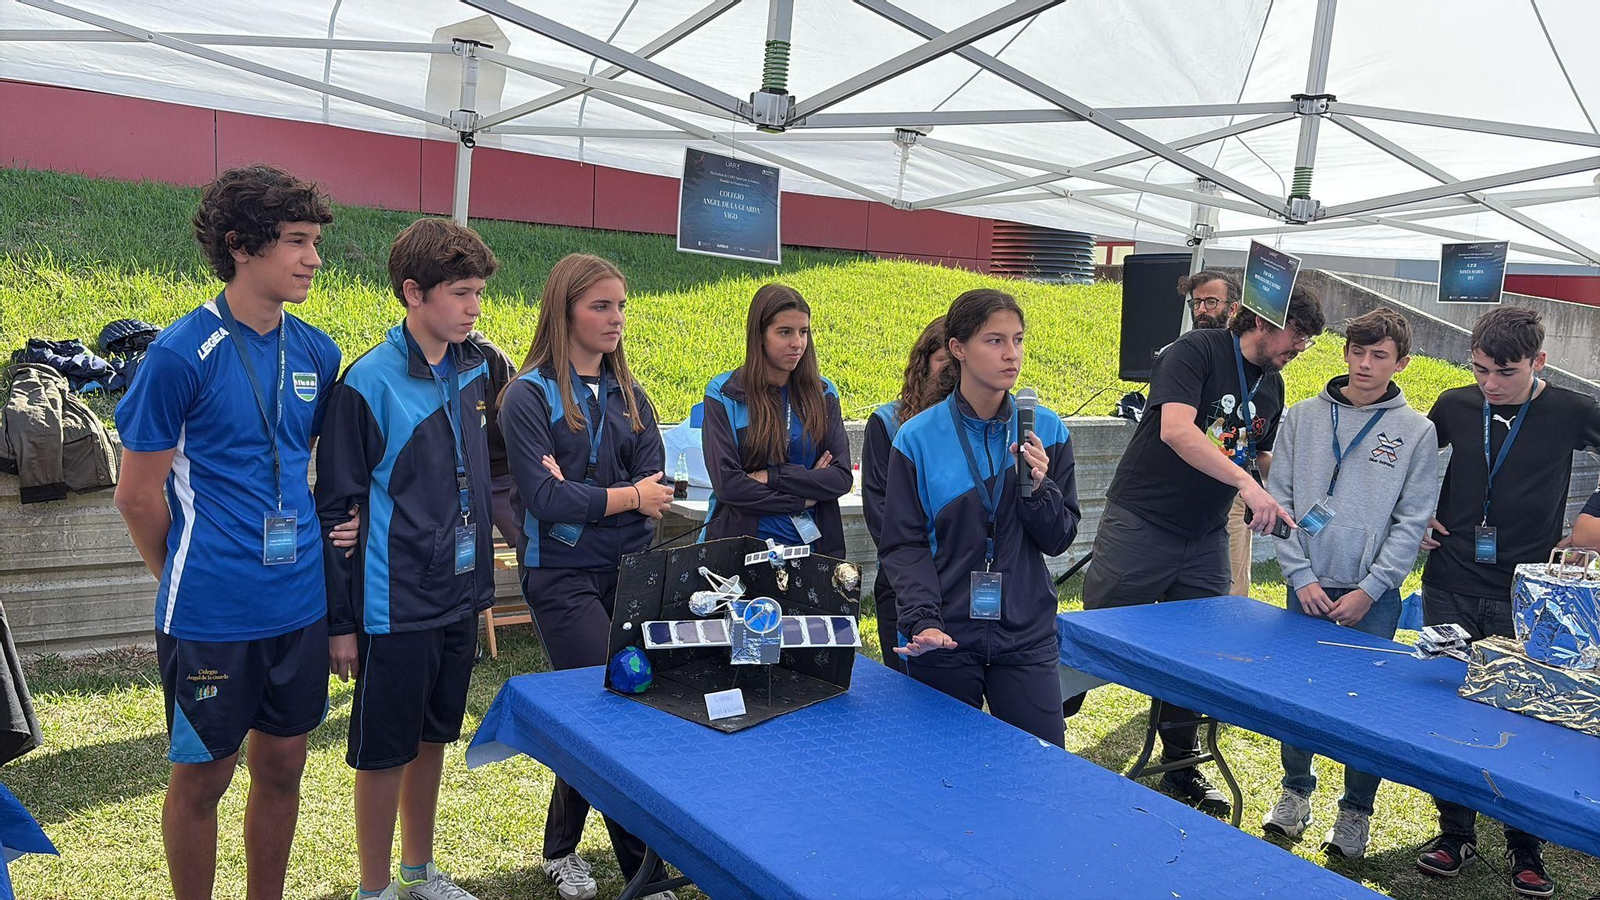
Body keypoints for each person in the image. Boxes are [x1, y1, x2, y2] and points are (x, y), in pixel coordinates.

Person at [112, 165, 339, 900]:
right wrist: (182, 572)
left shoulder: (317, 352)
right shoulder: (179, 355)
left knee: (283, 768)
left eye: (314, 242)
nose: (313, 258)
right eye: (297, 242)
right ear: (241, 246)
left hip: (298, 607)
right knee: (204, 777)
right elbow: (137, 496)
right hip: (212, 612)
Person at [1074, 286, 1325, 818]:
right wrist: (1248, 486)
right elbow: (1176, 430)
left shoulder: (1273, 384)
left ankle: (1182, 760)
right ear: (1263, 320)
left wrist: (1280, 496)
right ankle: (1047, 721)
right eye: (1297, 334)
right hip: (1144, 520)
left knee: (1198, 649)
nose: (1301, 347)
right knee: (1098, 632)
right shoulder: (1197, 350)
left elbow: (1257, 456)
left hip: (1206, 533)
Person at [314, 217, 499, 900]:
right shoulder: (366, 382)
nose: (474, 307)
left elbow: (485, 472)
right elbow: (337, 510)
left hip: (457, 594)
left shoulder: (479, 365)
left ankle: (419, 873)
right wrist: (340, 623)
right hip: (393, 605)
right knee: (384, 751)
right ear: (413, 292)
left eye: (478, 292)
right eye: (460, 293)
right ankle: (374, 889)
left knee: (433, 740)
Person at [497, 253, 677, 900]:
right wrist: (624, 497)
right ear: (565, 309)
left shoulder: (633, 396)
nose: (616, 318)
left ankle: (559, 848)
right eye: (601, 305)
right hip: (562, 575)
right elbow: (545, 501)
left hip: (629, 571)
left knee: (596, 708)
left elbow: (659, 488)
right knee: (615, 703)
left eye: (621, 305)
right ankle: (643, 872)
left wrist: (595, 494)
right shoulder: (527, 396)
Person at [1414, 305, 1600, 898]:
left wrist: (1590, 520)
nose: (1489, 385)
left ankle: (1525, 844)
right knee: (1447, 709)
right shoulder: (1453, 404)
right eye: (1479, 370)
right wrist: (1414, 516)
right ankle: (1454, 832)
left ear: (1538, 363)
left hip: (1527, 592)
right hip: (1450, 579)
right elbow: (1406, 460)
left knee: (1522, 716)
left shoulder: (1570, 411)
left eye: (1505, 373)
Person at [1261, 308, 1439, 857]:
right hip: (1307, 584)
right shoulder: (1302, 417)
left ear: (1401, 362)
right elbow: (1282, 501)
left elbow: (1412, 520)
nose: (1365, 364)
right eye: (1358, 352)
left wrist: (1374, 587)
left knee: (1365, 703)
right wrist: (1301, 575)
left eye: (1379, 355)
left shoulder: (1417, 431)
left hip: (1374, 596)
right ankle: (1295, 793)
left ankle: (1355, 811)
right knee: (1298, 693)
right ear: (1344, 353)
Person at [879, 289, 1080, 745]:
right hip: (944, 634)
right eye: (994, 340)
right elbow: (904, 544)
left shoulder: (1047, 430)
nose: (1012, 354)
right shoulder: (916, 438)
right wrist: (924, 619)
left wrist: (1040, 488)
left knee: (1035, 774)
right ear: (957, 349)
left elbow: (1060, 537)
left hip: (1026, 635)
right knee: (941, 777)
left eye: (1018, 339)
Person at [702, 284, 852, 557]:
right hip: (740, 548)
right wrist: (805, 496)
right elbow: (730, 486)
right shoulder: (724, 392)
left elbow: (840, 479)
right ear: (760, 335)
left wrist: (771, 476)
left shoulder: (824, 392)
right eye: (785, 332)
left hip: (815, 549)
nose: (798, 343)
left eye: (803, 332)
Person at [862, 316, 948, 671]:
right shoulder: (888, 423)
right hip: (904, 580)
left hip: (960, 578)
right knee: (907, 690)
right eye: (944, 362)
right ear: (923, 363)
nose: (952, 374)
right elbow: (881, 513)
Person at [1179, 270, 1254, 597]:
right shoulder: (1185, 353)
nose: (1201, 311)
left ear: (1234, 308)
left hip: (1230, 493)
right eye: (1196, 303)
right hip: (1179, 492)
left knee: (1229, 594)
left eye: (1211, 301)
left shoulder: (1252, 363)